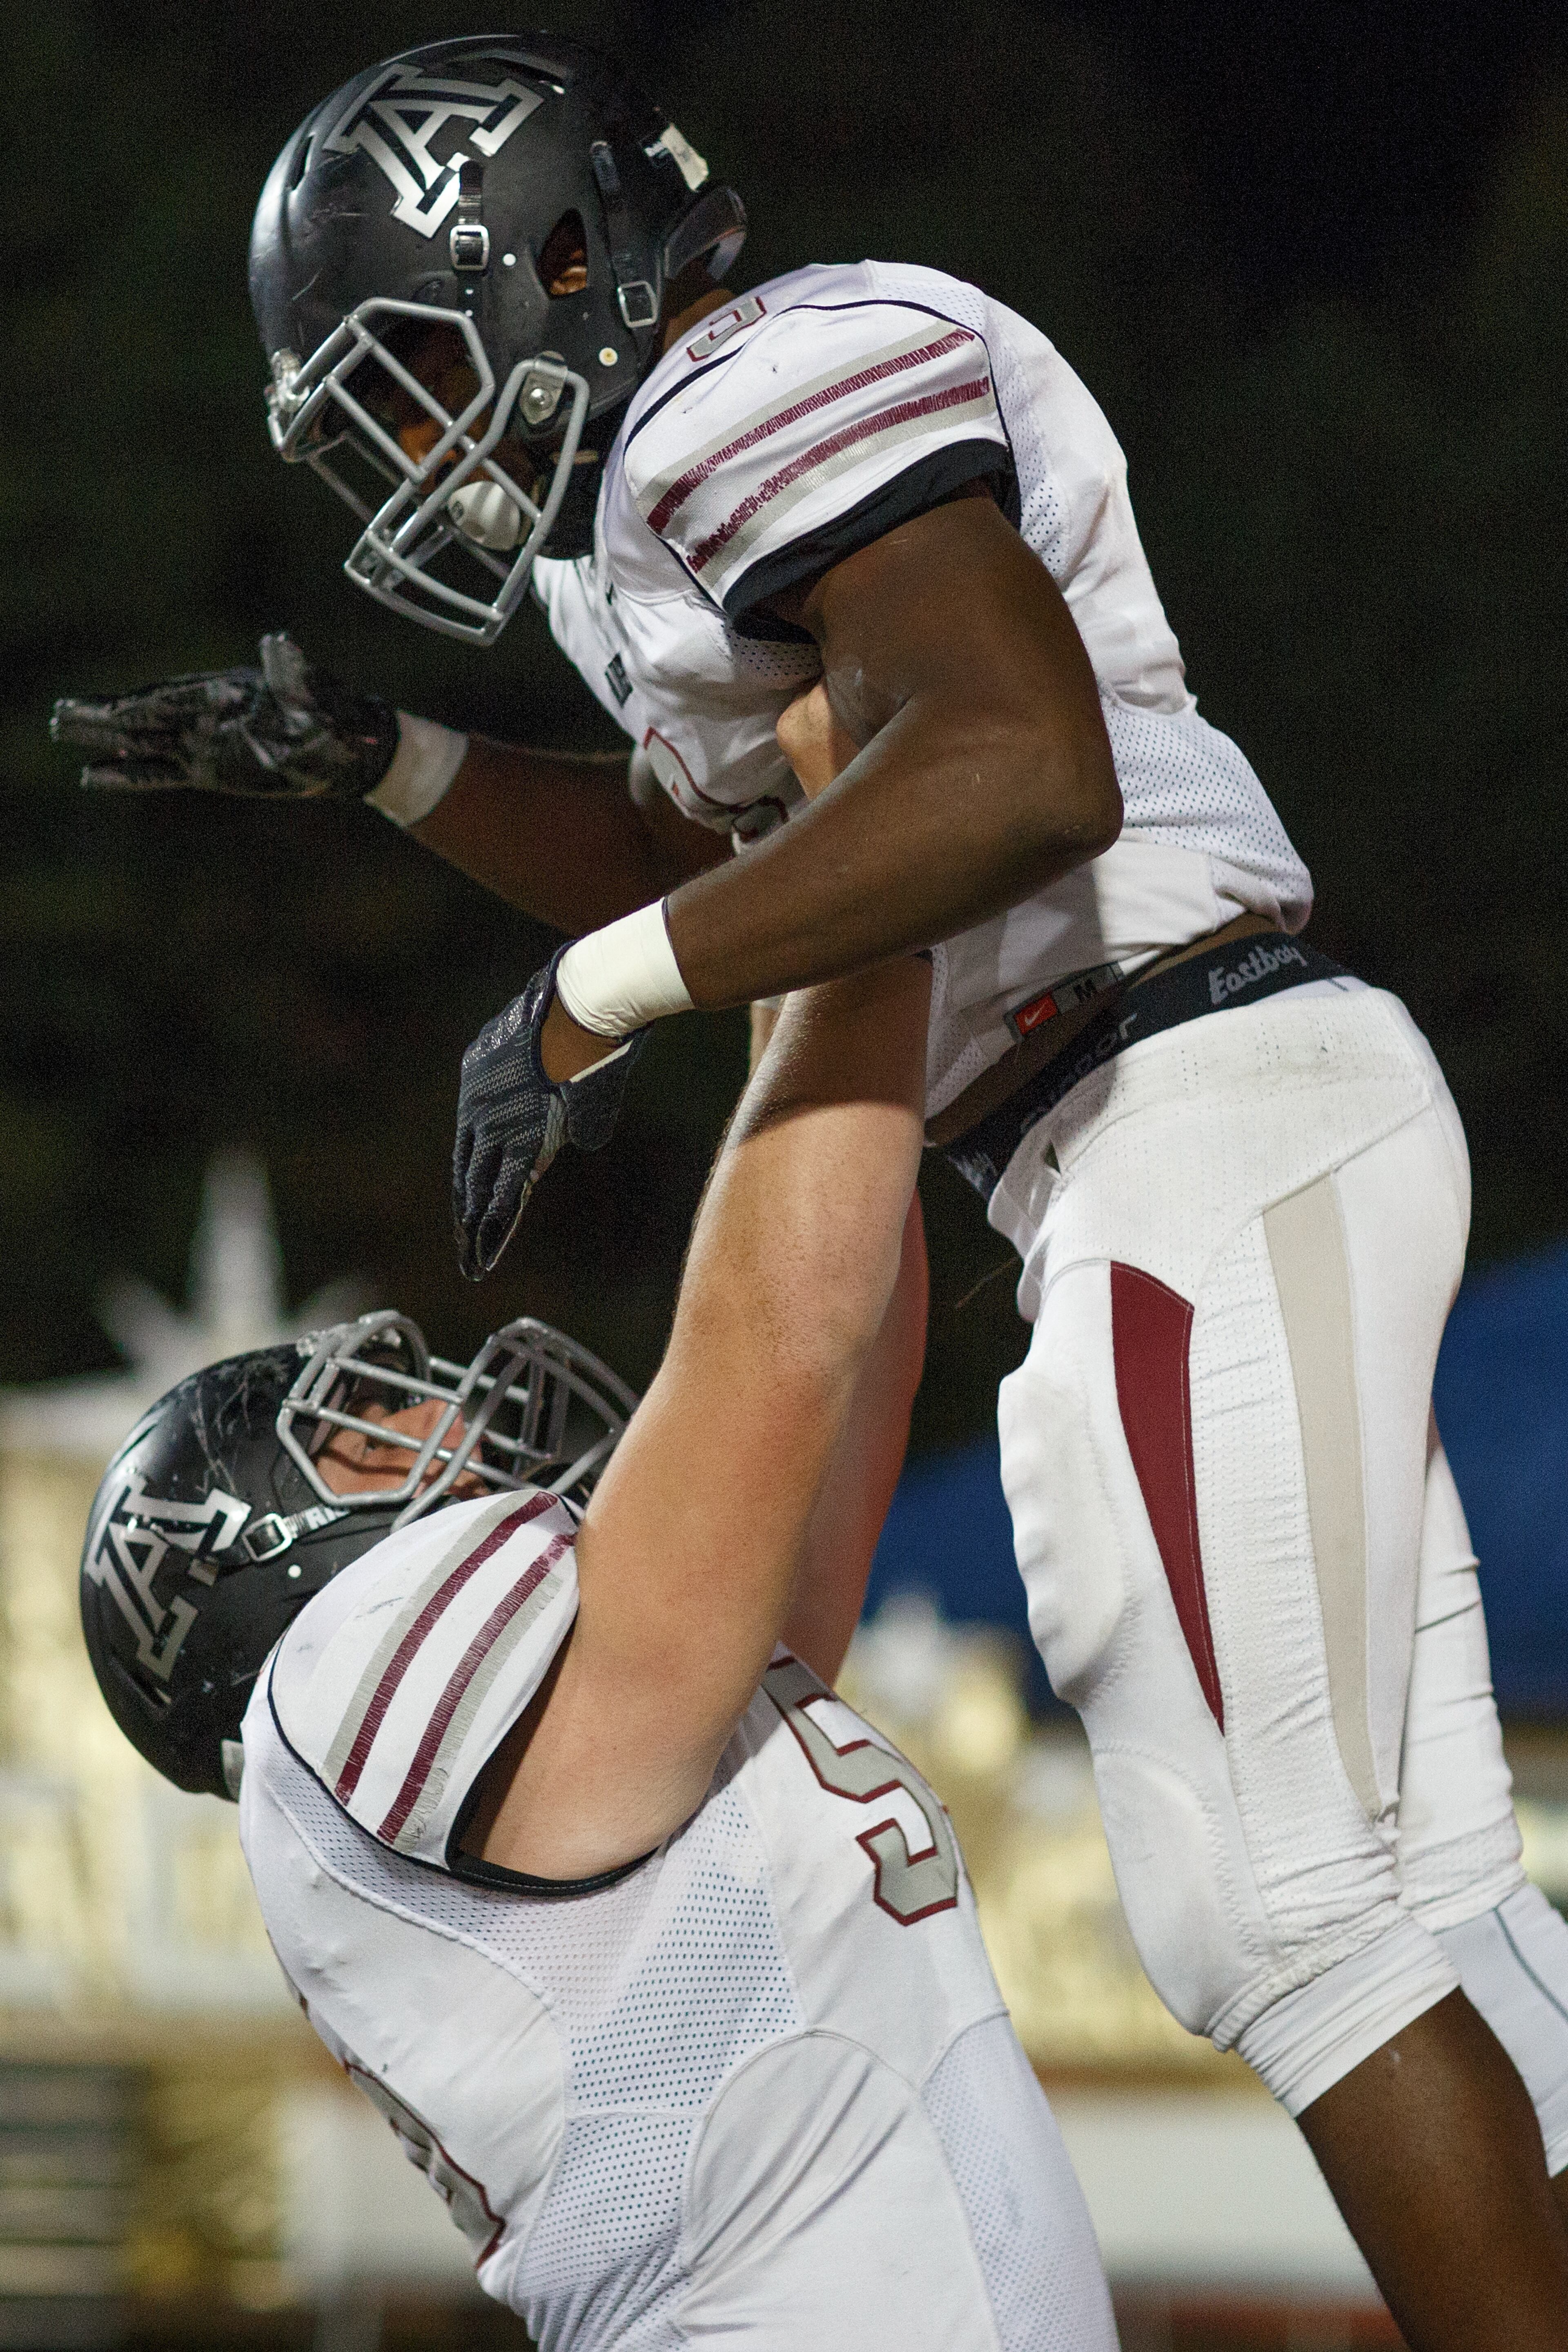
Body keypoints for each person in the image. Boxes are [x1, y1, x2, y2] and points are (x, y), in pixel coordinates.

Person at [51, 32, 1568, 2345]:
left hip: (1170, 1096)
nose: (425, 457)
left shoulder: (743, 382)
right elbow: (757, 842)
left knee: (1292, 1927)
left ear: (555, 258)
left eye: (417, 379)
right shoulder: (666, 516)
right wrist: (406, 763)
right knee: (1421, 1897)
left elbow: (1011, 766)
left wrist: (594, 1002)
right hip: (1164, 1123)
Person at [79, 938, 1118, 2350]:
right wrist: (862, 888)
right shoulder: (324, 1697)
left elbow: (846, 1320)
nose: (443, 1406)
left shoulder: (590, 1723)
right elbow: (786, 1325)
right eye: (365, 1429)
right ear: (250, 1560)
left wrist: (810, 896)